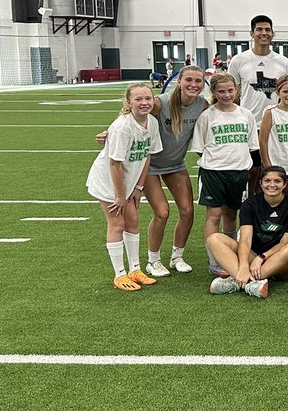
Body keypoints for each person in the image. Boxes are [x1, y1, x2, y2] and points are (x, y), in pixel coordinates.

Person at [95, 65, 207, 279]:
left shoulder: (202, 105)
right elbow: (134, 115)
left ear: (203, 84)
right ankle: (153, 260)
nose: (193, 84)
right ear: (179, 82)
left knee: (187, 211)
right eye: (188, 80)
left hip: (176, 164)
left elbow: (222, 111)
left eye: (198, 81)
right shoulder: (160, 103)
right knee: (162, 212)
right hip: (150, 165)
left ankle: (177, 256)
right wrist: (109, 132)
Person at [86, 83, 162, 291]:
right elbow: (114, 164)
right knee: (117, 223)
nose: (144, 103)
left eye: (148, 98)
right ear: (128, 103)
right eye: (138, 99)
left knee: (133, 221)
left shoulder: (152, 122)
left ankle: (135, 269)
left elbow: (147, 155)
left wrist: (138, 187)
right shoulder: (122, 127)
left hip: (128, 182)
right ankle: (119, 274)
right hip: (108, 181)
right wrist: (120, 196)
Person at [191, 73, 259, 278]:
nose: (227, 95)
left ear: (237, 90)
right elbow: (200, 148)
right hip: (213, 172)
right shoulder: (207, 116)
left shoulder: (246, 114)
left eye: (230, 90)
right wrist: (218, 161)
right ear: (213, 92)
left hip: (239, 172)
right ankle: (214, 261)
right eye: (221, 91)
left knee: (231, 214)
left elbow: (251, 146)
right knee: (214, 215)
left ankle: (229, 255)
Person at [206, 165, 288, 299]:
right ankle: (249, 282)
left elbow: (285, 242)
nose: (272, 185)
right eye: (267, 181)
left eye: (277, 181)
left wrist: (262, 257)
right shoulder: (250, 204)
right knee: (214, 239)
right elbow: (245, 240)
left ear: (285, 184)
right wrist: (243, 266)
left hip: (279, 261)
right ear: (261, 183)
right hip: (253, 257)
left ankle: (239, 281)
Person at [228, 15, 288, 192]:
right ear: (252, 33)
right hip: (249, 125)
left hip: (276, 125)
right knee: (252, 171)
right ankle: (251, 203)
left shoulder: (283, 62)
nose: (264, 33)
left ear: (273, 33)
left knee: (275, 169)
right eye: (259, 29)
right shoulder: (239, 60)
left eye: (267, 30)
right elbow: (232, 92)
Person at [258, 75, 288, 199]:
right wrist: (267, 165)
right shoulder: (271, 112)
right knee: (274, 202)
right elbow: (262, 140)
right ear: (278, 93)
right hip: (276, 165)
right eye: (285, 91)